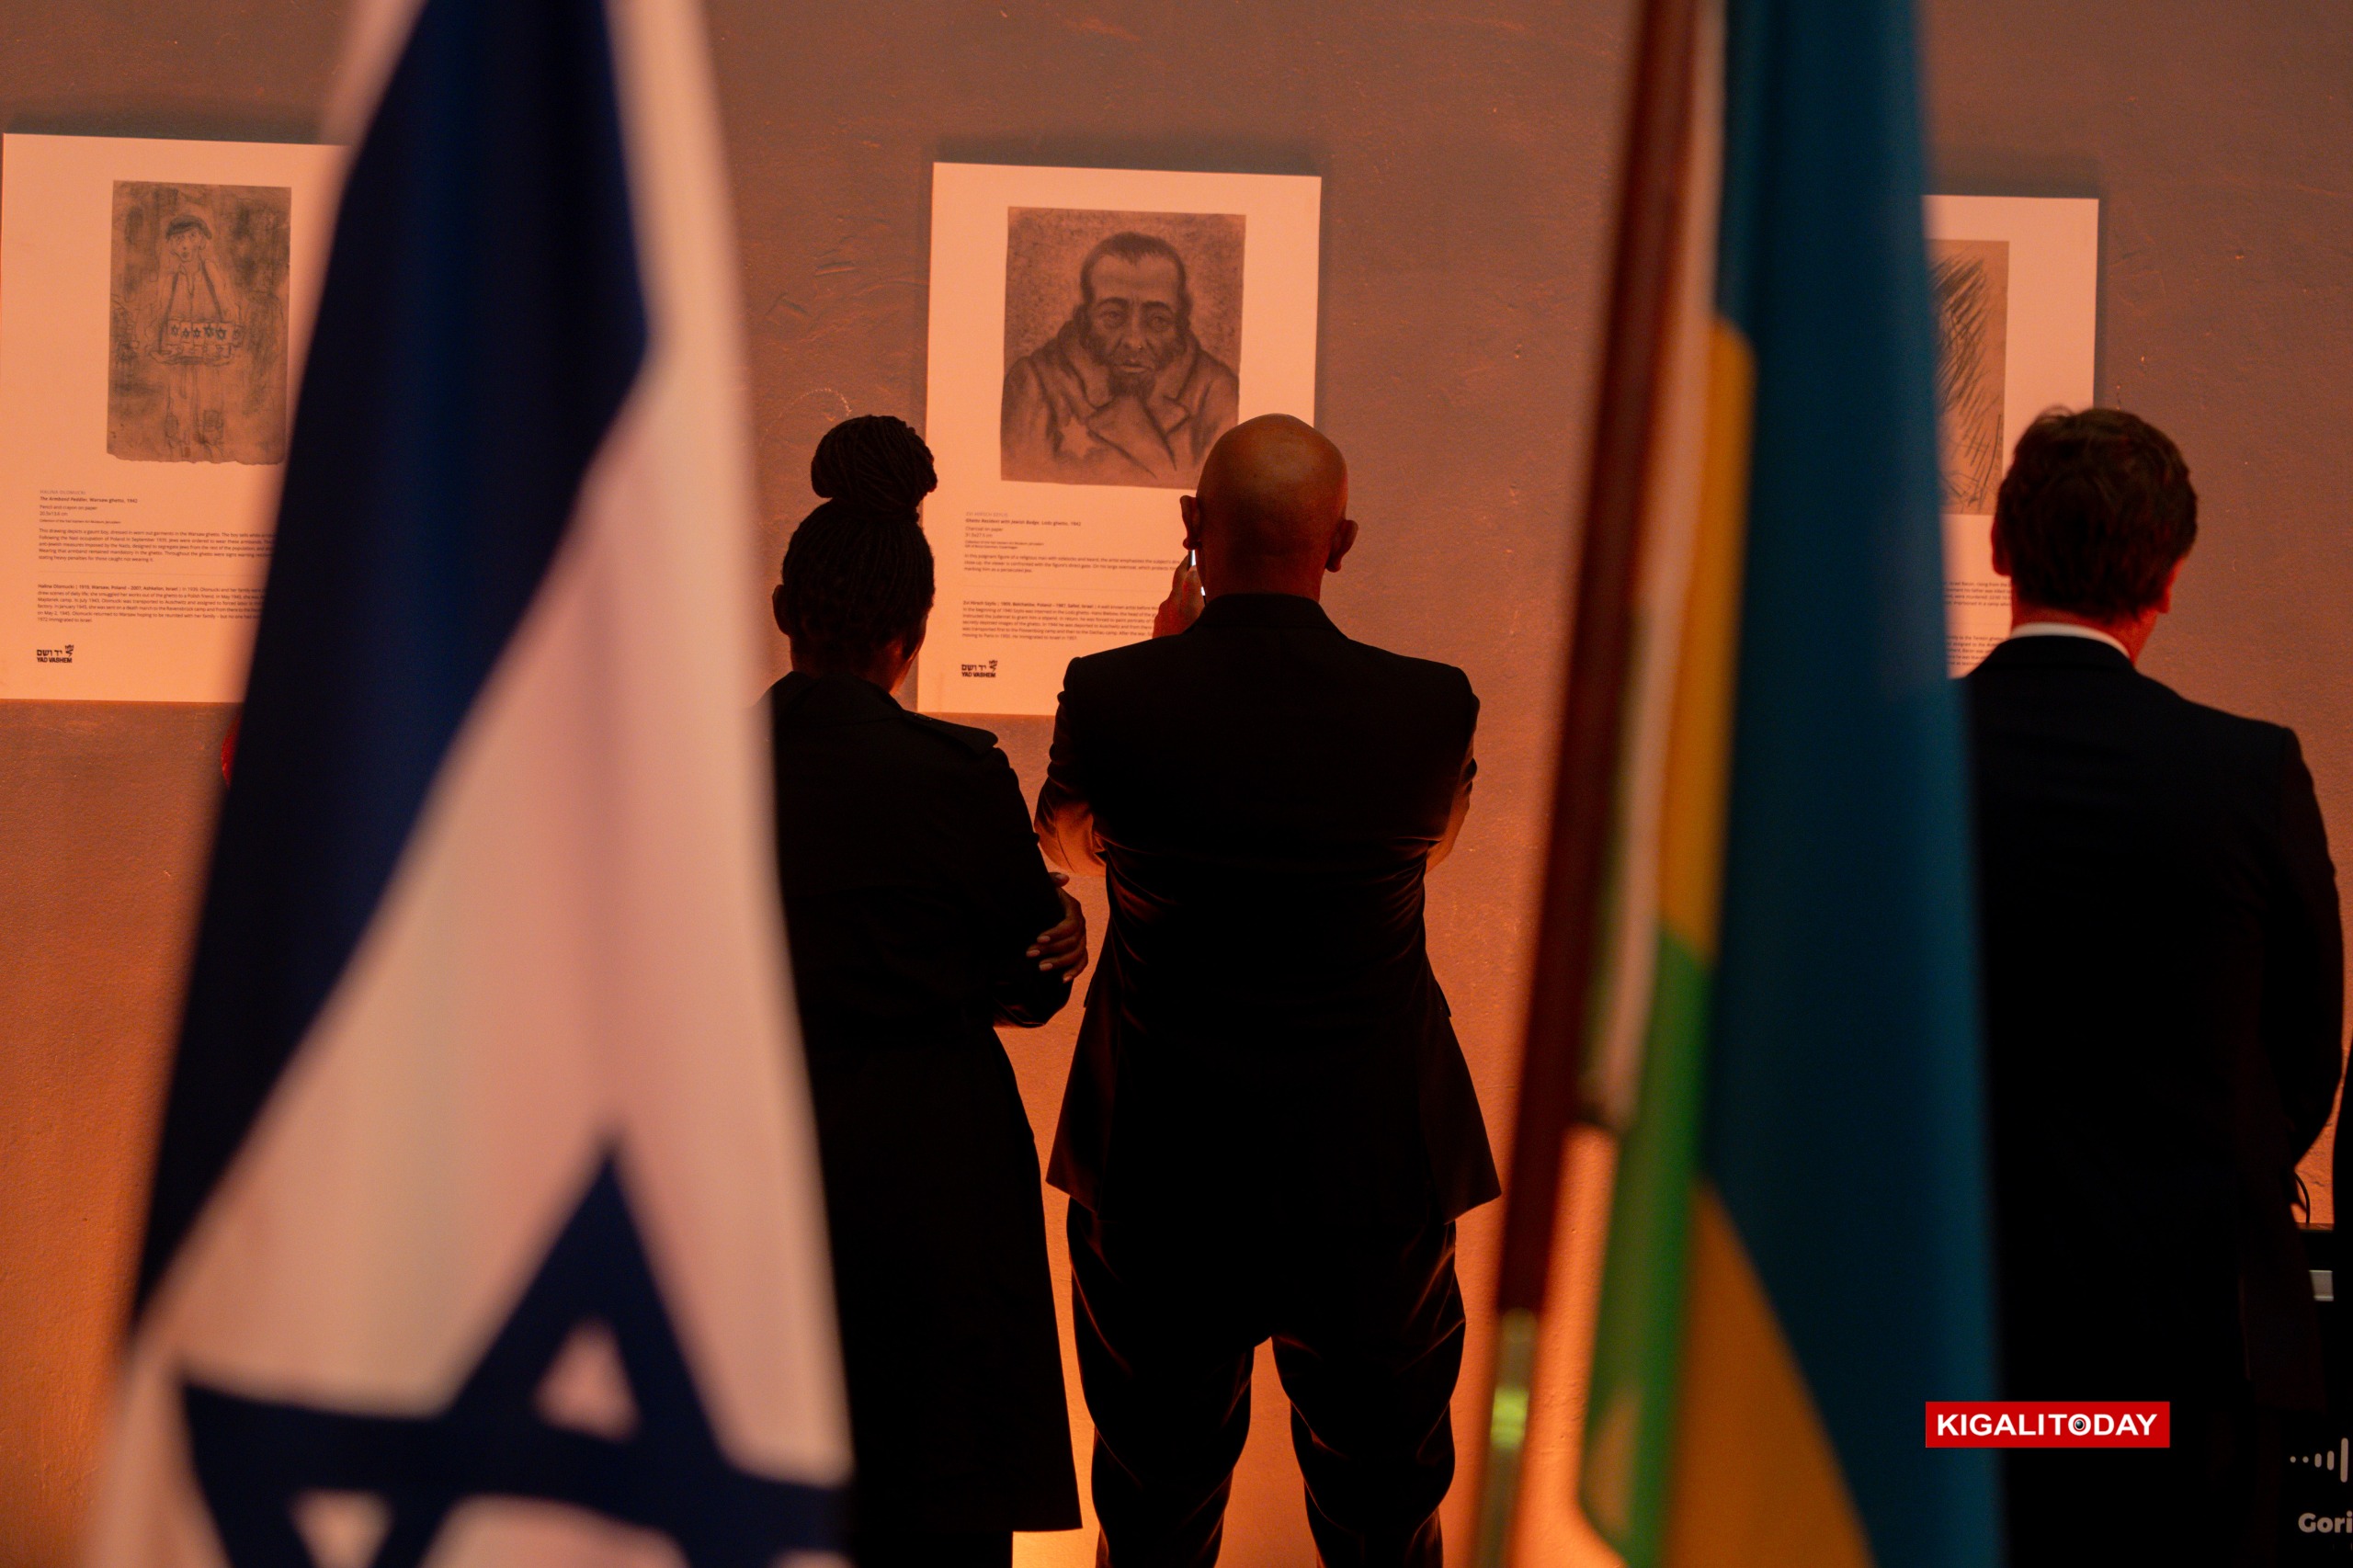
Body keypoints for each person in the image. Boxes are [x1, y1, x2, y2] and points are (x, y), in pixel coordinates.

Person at [1035, 415, 1495, 1567]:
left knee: (1153, 1506)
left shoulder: (1113, 694)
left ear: (1194, 525)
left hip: (1162, 1162)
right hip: (1371, 1168)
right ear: (1339, 542)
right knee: (1385, 1506)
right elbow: (1429, 847)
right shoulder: (1428, 705)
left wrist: (1164, 657)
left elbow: (1069, 843)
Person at [1965, 408, 2344, 1565]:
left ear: (2000, 547)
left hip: (1956, 1343)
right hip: (2187, 1355)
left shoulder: (1890, 760)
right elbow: (2302, 1054)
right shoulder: (2246, 772)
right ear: (2170, 576)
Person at [767, 415, 1086, 1568]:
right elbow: (1029, 981)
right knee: (934, 1487)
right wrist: (1056, 935)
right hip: (929, 1164)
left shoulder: (697, 765)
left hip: (746, 1149)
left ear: (784, 610)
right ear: (914, 630)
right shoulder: (954, 774)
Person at [1000, 231, 1239, 489]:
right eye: (1113, 316)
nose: (1134, 341)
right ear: (1084, 319)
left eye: (1157, 320)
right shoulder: (1035, 384)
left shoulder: (1215, 391)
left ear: (1180, 324)